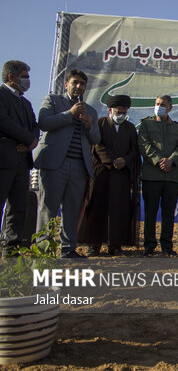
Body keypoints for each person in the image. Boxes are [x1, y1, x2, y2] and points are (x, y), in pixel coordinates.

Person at [34, 69, 100, 258]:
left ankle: (67, 249)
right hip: (55, 163)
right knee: (48, 208)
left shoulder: (91, 111)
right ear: (67, 84)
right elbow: (44, 123)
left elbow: (96, 138)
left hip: (79, 166)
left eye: (82, 84)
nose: (79, 86)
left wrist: (89, 126)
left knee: (72, 209)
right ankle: (43, 250)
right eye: (75, 82)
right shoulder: (53, 100)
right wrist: (69, 114)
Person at [77, 95, 140, 256]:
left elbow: (134, 151)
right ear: (110, 110)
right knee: (98, 208)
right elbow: (97, 145)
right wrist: (112, 160)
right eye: (119, 112)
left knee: (119, 209)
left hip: (121, 175)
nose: (121, 115)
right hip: (102, 173)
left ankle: (115, 245)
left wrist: (124, 161)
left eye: (124, 112)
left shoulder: (130, 128)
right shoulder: (100, 123)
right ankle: (94, 244)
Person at [138, 95, 178, 257]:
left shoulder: (177, 128)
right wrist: (159, 161)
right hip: (152, 176)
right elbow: (144, 145)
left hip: (171, 177)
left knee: (168, 213)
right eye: (157, 104)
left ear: (170, 108)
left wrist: (171, 161)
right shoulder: (146, 124)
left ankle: (166, 246)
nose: (159, 106)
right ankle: (149, 246)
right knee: (150, 212)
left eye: (163, 105)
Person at [0, 60, 39, 254]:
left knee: (18, 208)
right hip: (4, 160)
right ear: (11, 77)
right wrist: (27, 138)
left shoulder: (26, 103)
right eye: (24, 77)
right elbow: (4, 122)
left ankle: (11, 250)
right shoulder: (1, 95)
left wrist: (32, 141)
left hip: (23, 163)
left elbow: (34, 125)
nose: (28, 81)